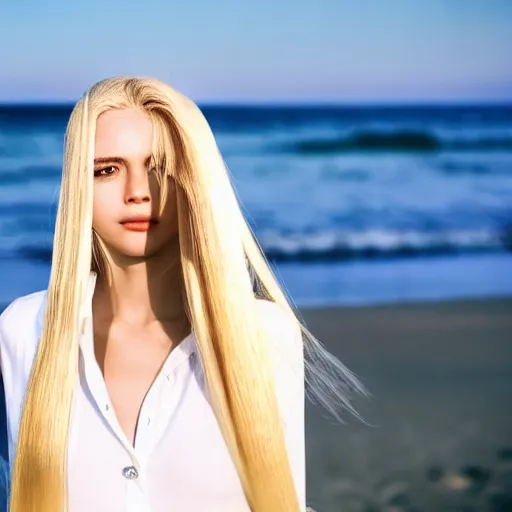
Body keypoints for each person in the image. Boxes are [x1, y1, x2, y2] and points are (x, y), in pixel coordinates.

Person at [0, 76, 366, 512]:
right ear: (79, 185)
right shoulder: (23, 331)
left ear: (194, 182)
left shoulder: (265, 336)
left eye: (161, 168)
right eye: (107, 169)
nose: (139, 192)